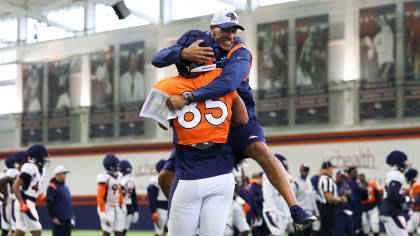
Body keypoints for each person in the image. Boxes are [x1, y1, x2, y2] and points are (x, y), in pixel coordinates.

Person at [153, 8, 316, 230]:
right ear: (212, 30)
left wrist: (189, 96)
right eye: (226, 30)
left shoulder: (240, 52)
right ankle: (188, 220)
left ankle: (295, 208)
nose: (231, 35)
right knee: (165, 177)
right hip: (206, 122)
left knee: (260, 149)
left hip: (237, 118)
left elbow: (228, 84)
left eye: (234, 30)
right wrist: (182, 54)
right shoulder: (198, 42)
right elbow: (157, 59)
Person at [151, 37, 248, 235]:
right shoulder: (222, 79)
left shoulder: (165, 87)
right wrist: (213, 127)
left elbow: (161, 123)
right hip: (222, 176)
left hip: (190, 176)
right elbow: (242, 119)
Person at [12, 144, 49, 236]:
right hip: (25, 202)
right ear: (37, 157)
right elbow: (15, 186)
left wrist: (37, 195)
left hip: (29, 201)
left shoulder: (40, 170)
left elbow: (31, 185)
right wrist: (22, 203)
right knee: (37, 230)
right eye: (44, 157)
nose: (45, 159)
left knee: (19, 233)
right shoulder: (30, 167)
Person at [380, 150, 414, 236]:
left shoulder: (392, 174)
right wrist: (407, 198)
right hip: (393, 211)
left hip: (387, 210)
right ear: (398, 162)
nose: (405, 164)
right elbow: (392, 195)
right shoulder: (396, 174)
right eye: (404, 161)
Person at [262, 154, 293, 236]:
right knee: (277, 234)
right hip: (273, 211)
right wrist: (273, 211)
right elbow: (267, 194)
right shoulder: (268, 174)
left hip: (284, 211)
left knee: (287, 232)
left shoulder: (286, 176)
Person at [96, 154, 125, 236]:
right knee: (107, 231)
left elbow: (119, 191)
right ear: (109, 166)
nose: (117, 168)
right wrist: (102, 212)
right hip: (107, 206)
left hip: (116, 206)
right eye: (115, 166)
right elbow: (100, 196)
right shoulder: (104, 178)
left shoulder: (118, 176)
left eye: (118, 165)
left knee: (119, 231)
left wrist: (122, 204)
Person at [317, 161, 348, 236]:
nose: (332, 170)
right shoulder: (326, 179)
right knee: (327, 231)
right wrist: (341, 199)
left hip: (327, 207)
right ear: (327, 168)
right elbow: (329, 197)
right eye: (331, 168)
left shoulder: (325, 179)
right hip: (327, 207)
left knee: (326, 230)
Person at [46, 165, 74, 236]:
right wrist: (53, 217)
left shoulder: (64, 186)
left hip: (68, 217)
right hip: (59, 218)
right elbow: (49, 202)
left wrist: (72, 214)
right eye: (64, 173)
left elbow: (68, 202)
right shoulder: (52, 186)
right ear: (58, 174)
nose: (65, 175)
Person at [293, 164, 319, 236]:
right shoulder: (296, 183)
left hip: (310, 214)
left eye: (307, 170)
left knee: (308, 234)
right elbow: (292, 200)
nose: (306, 172)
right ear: (300, 170)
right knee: (299, 234)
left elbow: (312, 199)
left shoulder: (309, 181)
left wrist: (316, 212)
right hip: (300, 214)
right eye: (304, 170)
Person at [147, 160, 168, 236]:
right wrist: (153, 211)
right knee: (159, 231)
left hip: (169, 207)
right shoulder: (155, 180)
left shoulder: (171, 178)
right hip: (160, 208)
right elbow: (151, 197)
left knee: (166, 230)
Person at [0, 155, 19, 236]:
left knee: (8, 227)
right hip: (11, 201)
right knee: (12, 227)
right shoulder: (14, 172)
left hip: (9, 201)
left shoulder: (5, 173)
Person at [346, 167, 368, 235]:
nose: (356, 174)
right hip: (349, 213)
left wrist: (365, 190)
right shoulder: (346, 184)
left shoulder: (359, 184)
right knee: (349, 232)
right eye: (354, 172)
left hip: (358, 212)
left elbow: (365, 198)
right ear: (349, 174)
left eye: (356, 172)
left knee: (359, 232)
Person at [119, 160, 139, 236]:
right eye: (126, 172)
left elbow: (133, 196)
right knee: (118, 229)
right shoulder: (119, 180)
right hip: (120, 206)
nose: (128, 174)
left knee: (125, 228)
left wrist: (136, 210)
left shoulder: (131, 181)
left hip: (129, 206)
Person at [373, 14, 394, 81]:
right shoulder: (380, 33)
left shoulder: (387, 31)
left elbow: (384, 48)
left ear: (385, 21)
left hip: (387, 63)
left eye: (382, 20)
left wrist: (375, 47)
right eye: (379, 20)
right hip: (382, 63)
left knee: (384, 83)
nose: (381, 22)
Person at [332, 170, 353, 236]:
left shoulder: (346, 186)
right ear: (336, 177)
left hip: (346, 212)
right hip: (336, 213)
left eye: (343, 177)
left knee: (350, 231)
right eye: (340, 177)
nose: (342, 179)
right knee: (337, 233)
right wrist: (339, 194)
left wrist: (348, 195)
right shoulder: (332, 185)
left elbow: (351, 198)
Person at [405, 168, 420, 236]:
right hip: (413, 211)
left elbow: (418, 199)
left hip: (418, 211)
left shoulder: (417, 185)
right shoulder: (412, 186)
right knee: (408, 230)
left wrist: (412, 207)